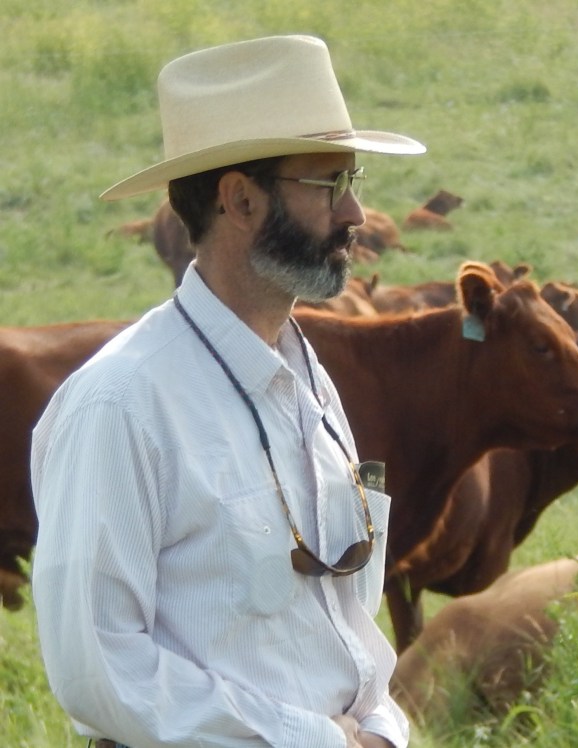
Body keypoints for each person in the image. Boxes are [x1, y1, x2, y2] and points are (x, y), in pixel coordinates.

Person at [30, 35, 425, 747]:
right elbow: (99, 669)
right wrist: (318, 739)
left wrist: (380, 727)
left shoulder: (309, 384)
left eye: (353, 181)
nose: (357, 214)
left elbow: (341, 626)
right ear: (240, 199)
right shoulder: (121, 405)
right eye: (329, 185)